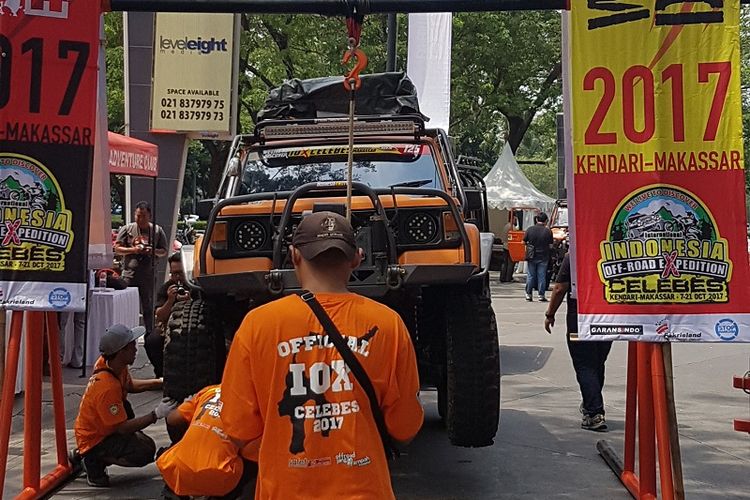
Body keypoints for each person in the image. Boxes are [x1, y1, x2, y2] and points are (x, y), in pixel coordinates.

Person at [221, 211, 423, 499]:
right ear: (357, 258)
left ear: (294, 256)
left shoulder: (257, 326)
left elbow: (238, 429)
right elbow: (404, 427)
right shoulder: (388, 324)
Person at [73, 324, 178, 487]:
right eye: (132, 347)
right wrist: (155, 414)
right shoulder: (106, 387)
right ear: (121, 352)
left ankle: (85, 453)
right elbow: (121, 427)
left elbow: (130, 385)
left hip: (104, 430)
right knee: (144, 453)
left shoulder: (114, 366)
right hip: (97, 437)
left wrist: (159, 383)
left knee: (146, 443)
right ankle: (92, 459)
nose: (136, 350)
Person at [544, 252, 612, 432]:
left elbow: (559, 288)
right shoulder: (610, 250)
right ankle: (591, 400)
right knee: (597, 363)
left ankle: (594, 412)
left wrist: (550, 314)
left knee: (585, 365)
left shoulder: (573, 256)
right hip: (608, 317)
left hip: (580, 317)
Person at [156, 384, 257, 499]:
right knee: (253, 460)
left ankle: (177, 491)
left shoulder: (209, 391)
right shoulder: (253, 402)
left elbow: (172, 419)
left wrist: (188, 404)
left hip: (178, 469)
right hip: (221, 476)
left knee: (172, 449)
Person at [114, 201, 168, 377]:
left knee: (148, 307)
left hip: (148, 274)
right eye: (137, 215)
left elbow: (164, 251)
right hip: (129, 273)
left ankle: (149, 338)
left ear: (149, 216)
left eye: (143, 215)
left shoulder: (157, 231)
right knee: (125, 305)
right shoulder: (127, 229)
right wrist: (133, 249)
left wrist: (152, 251)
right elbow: (117, 248)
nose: (140, 218)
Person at [154, 252, 195, 336]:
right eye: (174, 273)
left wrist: (189, 302)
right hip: (170, 325)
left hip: (193, 324)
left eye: (181, 273)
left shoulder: (196, 286)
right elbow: (160, 317)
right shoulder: (166, 287)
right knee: (153, 340)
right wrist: (170, 301)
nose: (177, 277)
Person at [523, 212, 553, 302]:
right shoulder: (548, 231)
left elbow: (523, 242)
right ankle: (541, 295)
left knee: (531, 275)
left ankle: (528, 294)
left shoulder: (530, 229)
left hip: (531, 256)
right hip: (543, 256)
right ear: (546, 221)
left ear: (536, 219)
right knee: (542, 276)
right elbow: (551, 245)